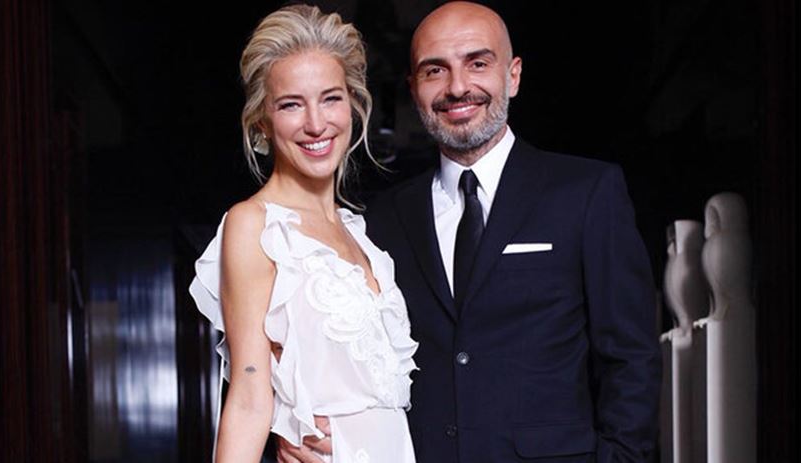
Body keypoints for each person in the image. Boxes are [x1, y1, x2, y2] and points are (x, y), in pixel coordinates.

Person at [279, 2, 660, 462]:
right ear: (414, 89)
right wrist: (297, 432)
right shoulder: (380, 221)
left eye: (477, 63)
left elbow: (630, 357)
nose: (458, 87)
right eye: (435, 70)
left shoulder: (586, 193)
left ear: (513, 76)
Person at [189, 5, 418, 463]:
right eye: (291, 104)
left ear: (353, 106)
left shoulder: (358, 234)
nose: (316, 123)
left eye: (330, 98)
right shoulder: (255, 225)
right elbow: (249, 401)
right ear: (263, 120)